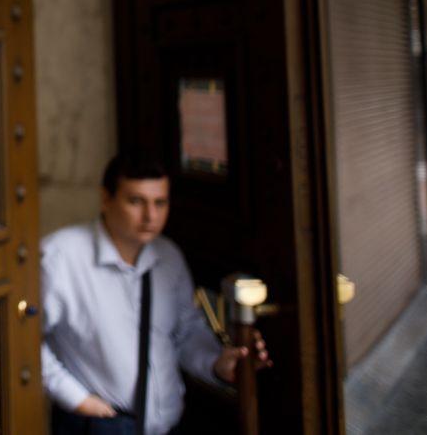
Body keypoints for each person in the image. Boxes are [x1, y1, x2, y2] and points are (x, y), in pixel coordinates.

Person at [40, 153, 271, 434]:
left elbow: (185, 333)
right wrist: (76, 399)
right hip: (100, 425)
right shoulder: (60, 257)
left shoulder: (168, 256)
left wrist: (217, 364)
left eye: (160, 203)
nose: (150, 216)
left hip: (168, 426)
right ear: (105, 199)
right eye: (136, 201)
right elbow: (24, 340)